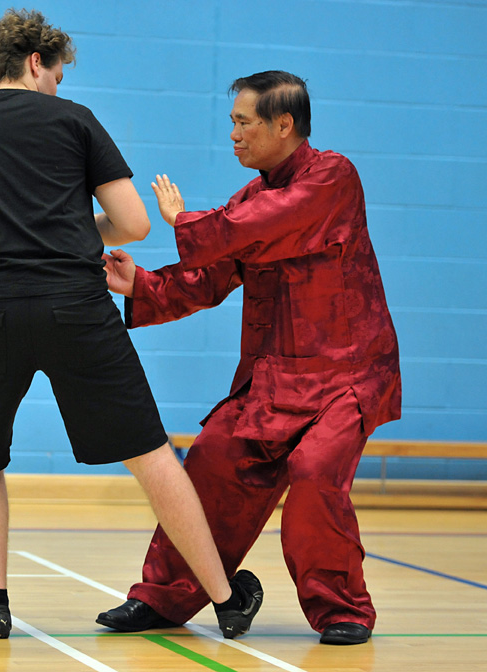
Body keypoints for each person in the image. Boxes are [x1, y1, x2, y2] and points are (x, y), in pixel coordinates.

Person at [0, 9, 262, 641]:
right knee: (151, 453)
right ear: (35, 62)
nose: (59, 82)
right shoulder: (74, 119)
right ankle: (225, 598)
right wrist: (77, 233)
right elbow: (134, 223)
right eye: (57, 71)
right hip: (74, 305)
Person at [97, 70, 401, 646]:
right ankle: (164, 597)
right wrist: (140, 284)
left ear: (284, 125)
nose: (232, 134)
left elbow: (262, 223)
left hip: (345, 377)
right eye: (232, 122)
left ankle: (342, 609)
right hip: (272, 382)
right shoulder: (250, 200)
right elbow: (207, 278)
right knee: (212, 459)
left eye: (243, 123)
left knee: (314, 477)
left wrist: (184, 221)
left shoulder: (332, 177)